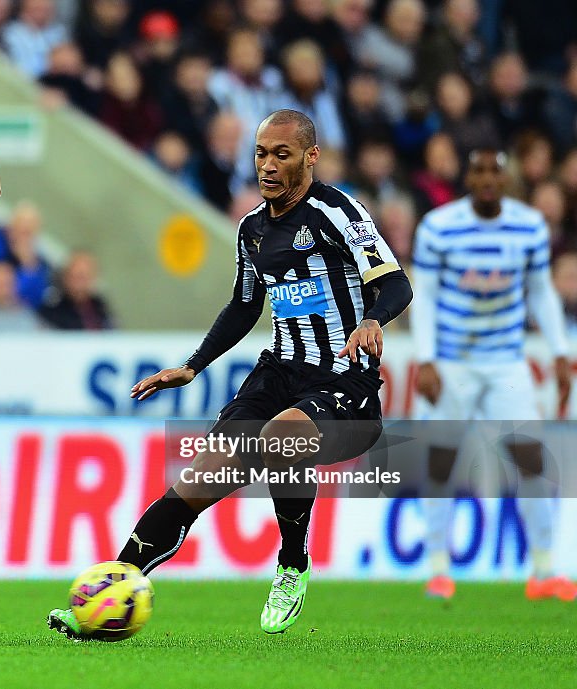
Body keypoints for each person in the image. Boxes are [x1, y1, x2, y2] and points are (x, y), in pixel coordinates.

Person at [47, 109, 412, 638]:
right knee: (196, 481)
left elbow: (396, 283)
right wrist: (192, 366)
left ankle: (292, 564)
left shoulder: (337, 212)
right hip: (276, 376)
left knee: (283, 435)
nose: (268, 165)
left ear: (310, 158)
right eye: (261, 154)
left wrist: (373, 320)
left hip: (342, 382)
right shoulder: (251, 229)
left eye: (281, 154)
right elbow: (244, 306)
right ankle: (106, 596)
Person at [411, 148, 575, 602]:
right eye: (478, 170)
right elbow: (423, 296)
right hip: (451, 360)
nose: (486, 179)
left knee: (531, 461)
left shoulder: (529, 226)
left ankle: (543, 569)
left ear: (507, 178)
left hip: (506, 360)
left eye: (495, 171)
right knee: (441, 462)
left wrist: (560, 350)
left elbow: (541, 292)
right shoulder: (439, 227)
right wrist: (426, 359)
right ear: (467, 175)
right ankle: (438, 568)